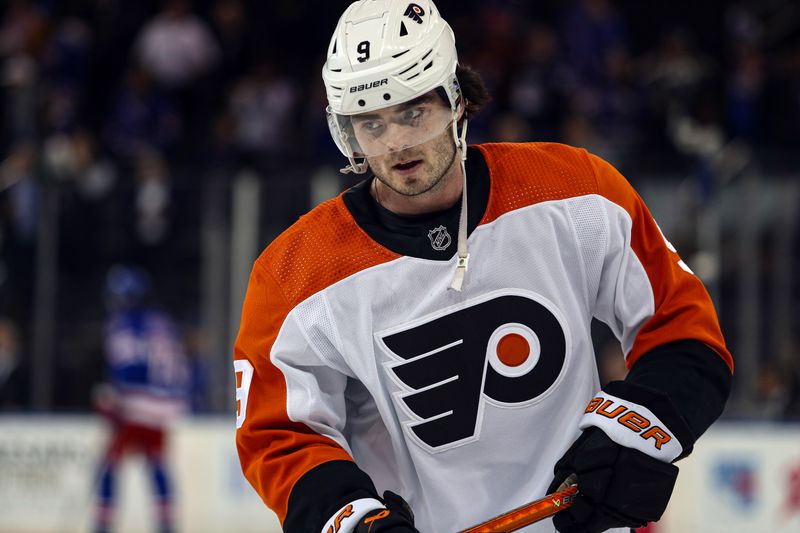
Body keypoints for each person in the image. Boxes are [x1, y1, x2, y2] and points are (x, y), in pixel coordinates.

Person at [232, 2, 733, 532]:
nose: (396, 142)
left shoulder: (575, 192)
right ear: (346, 131)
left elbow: (682, 327)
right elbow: (280, 434)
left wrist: (635, 431)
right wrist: (354, 520)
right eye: (371, 123)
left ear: (456, 101)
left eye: (412, 112)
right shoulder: (293, 276)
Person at [93, 265, 190, 533]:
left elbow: (126, 366)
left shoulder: (122, 324)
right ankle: (166, 523)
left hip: (136, 404)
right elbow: (182, 368)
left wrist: (111, 400)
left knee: (109, 462)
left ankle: (101, 524)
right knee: (157, 461)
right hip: (166, 405)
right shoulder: (163, 323)